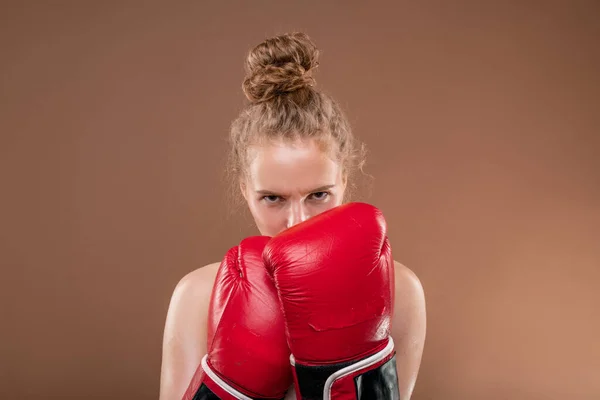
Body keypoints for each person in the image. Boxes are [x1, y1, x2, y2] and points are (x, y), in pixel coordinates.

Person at [159, 32, 427, 400]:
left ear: (343, 181)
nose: (297, 221)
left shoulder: (402, 292)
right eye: (273, 198)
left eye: (319, 195)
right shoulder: (197, 296)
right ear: (244, 191)